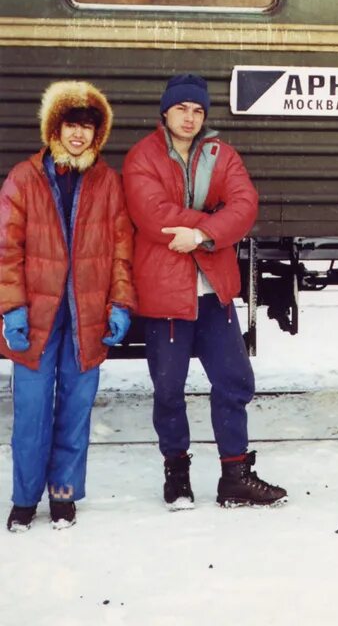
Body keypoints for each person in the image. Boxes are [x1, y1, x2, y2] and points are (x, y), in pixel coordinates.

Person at [122, 73, 286, 510]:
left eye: (198, 110)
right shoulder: (142, 157)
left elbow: (244, 206)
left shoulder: (221, 154)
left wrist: (201, 234)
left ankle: (236, 475)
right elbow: (150, 214)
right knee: (169, 390)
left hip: (214, 291)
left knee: (234, 382)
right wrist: (212, 218)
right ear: (165, 113)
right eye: (182, 109)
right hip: (164, 294)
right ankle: (177, 474)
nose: (190, 117)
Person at [1, 80, 136, 532]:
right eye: (70, 126)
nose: (77, 135)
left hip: (87, 316)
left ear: (97, 135)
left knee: (76, 409)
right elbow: (6, 249)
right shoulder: (23, 178)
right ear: (53, 128)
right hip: (36, 318)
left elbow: (120, 249)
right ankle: (24, 501)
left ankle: (62, 495)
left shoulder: (107, 182)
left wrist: (120, 304)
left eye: (86, 128)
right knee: (33, 413)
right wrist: (12, 308)